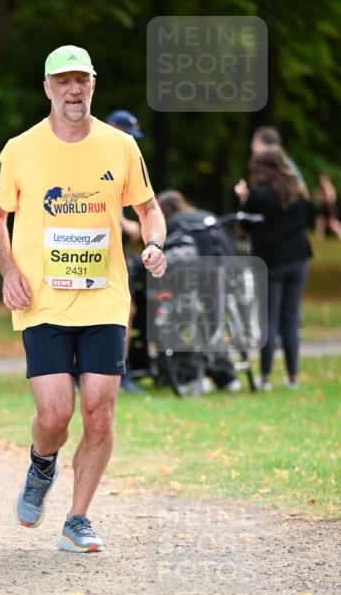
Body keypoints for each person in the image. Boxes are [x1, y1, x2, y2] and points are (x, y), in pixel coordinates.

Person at [0, 45, 166, 554]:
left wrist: (154, 243)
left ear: (93, 84)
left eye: (81, 79)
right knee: (55, 415)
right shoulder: (20, 149)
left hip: (104, 298)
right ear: (47, 88)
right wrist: (9, 271)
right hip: (41, 300)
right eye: (63, 81)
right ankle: (42, 463)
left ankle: (78, 518)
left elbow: (150, 209)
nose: (73, 89)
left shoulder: (120, 146)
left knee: (101, 411)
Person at [234, 146, 311, 389]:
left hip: (271, 262)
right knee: (290, 318)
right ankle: (292, 376)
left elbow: (243, 226)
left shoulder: (258, 194)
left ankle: (265, 376)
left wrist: (242, 199)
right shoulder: (297, 190)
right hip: (298, 258)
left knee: (269, 318)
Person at [156, 189, 241, 393]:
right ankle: (225, 376)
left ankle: (190, 376)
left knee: (183, 325)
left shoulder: (175, 223)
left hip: (192, 283)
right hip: (221, 278)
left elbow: (172, 258)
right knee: (215, 329)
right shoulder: (208, 216)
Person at [104, 109, 144, 394]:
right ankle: (119, 371)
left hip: (110, 250)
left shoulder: (117, 160)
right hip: (102, 250)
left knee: (125, 310)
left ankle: (117, 370)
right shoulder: (104, 158)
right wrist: (130, 227)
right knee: (124, 310)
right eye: (128, 135)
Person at [313, 173, 341, 240]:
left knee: (332, 223)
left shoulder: (328, 187)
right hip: (325, 206)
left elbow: (329, 198)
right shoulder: (322, 187)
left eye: (322, 180)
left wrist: (320, 197)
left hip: (330, 207)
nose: (320, 181)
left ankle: (340, 234)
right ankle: (319, 235)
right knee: (320, 220)